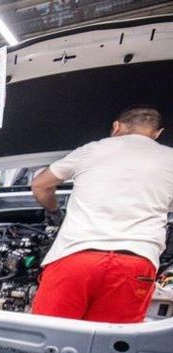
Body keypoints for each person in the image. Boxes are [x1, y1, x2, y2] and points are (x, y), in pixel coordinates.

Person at [30, 105, 173, 323]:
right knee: (109, 345)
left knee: (48, 337)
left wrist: (56, 212)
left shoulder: (93, 149)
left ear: (116, 127)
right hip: (136, 262)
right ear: (157, 133)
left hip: (76, 257)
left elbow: (40, 185)